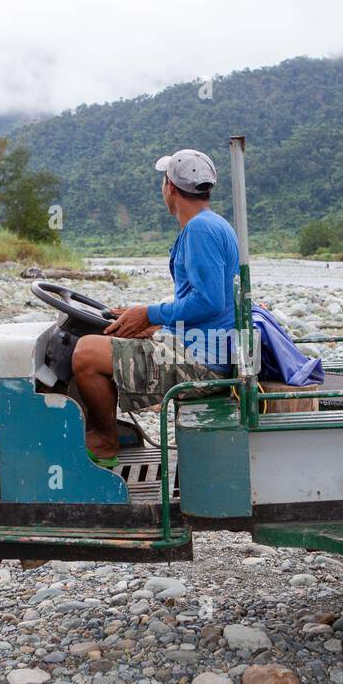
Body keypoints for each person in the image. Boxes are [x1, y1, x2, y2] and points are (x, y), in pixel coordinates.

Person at [71, 149, 240, 467]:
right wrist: (158, 325)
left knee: (84, 354)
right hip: (202, 347)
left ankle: (106, 442)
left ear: (171, 187)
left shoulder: (200, 230)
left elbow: (210, 301)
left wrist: (150, 313)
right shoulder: (212, 225)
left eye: (163, 182)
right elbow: (206, 304)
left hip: (202, 363)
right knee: (108, 337)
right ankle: (111, 432)